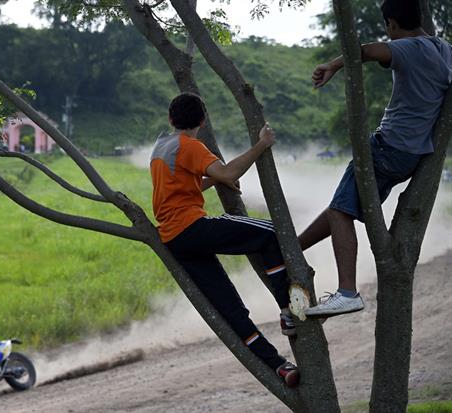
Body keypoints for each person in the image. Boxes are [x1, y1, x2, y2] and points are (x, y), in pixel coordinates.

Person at [299, 0, 452, 317]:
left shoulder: (410, 47)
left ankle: (347, 292)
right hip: (409, 155)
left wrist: (333, 65)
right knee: (344, 205)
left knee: (341, 211)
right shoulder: (444, 49)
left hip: (386, 148)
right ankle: (295, 247)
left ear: (391, 24)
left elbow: (368, 51)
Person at [151, 92, 299, 387]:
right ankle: (287, 310)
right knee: (272, 233)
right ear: (203, 121)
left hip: (174, 239)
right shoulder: (191, 146)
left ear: (170, 119)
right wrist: (262, 144)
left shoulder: (160, 147)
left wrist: (214, 179)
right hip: (193, 227)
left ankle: (280, 367)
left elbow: (184, 187)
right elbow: (230, 171)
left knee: (230, 310)